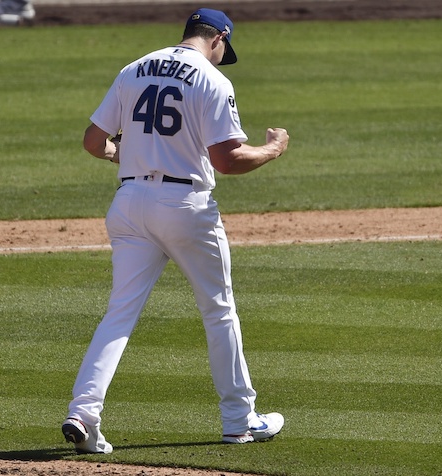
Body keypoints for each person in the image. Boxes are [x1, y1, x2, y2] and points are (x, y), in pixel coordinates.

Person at [61, 8, 290, 454]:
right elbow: (228, 160)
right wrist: (274, 148)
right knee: (219, 310)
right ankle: (239, 419)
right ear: (218, 38)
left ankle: (84, 413)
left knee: (119, 313)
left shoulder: (135, 67)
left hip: (129, 204)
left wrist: (123, 156)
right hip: (184, 206)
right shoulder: (212, 79)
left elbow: (93, 141)